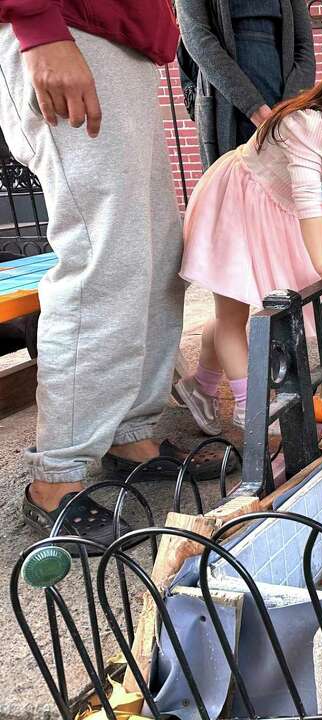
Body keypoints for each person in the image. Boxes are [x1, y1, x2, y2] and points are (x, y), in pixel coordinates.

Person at [0, 0, 228, 547]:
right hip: (64, 29)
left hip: (114, 35)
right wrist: (35, 25)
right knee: (104, 258)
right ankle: (56, 479)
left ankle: (130, 436)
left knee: (154, 257)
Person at [174, 44, 322, 435]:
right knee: (235, 319)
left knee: (232, 318)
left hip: (277, 211)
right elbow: (308, 197)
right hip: (239, 205)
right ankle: (250, 410)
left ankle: (200, 388)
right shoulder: (305, 124)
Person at [175, 0, 315, 168]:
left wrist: (288, 109)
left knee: (289, 186)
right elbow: (197, 38)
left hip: (282, 101)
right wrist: (255, 108)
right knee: (234, 187)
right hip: (228, 105)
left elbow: (305, 48)